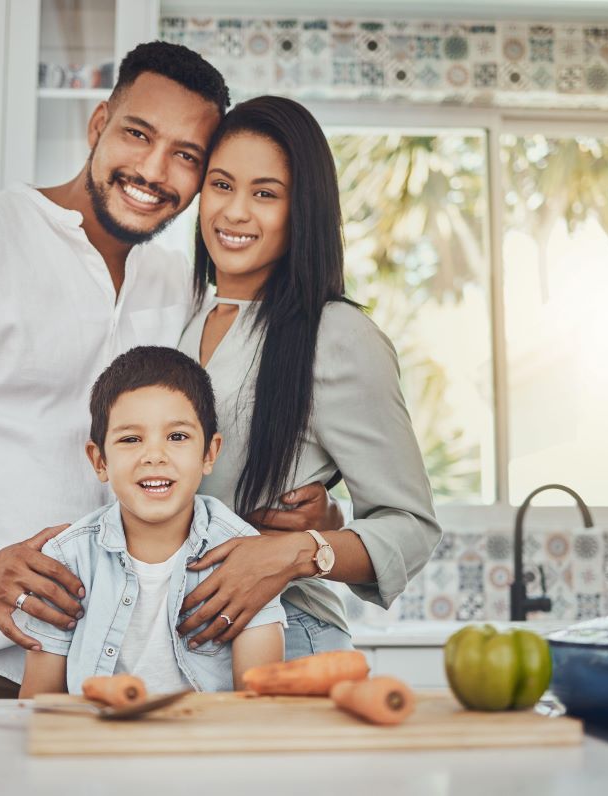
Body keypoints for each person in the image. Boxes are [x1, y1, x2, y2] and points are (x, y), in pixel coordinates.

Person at [0, 43, 336, 698]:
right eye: (137, 135)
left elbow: (193, 445)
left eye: (186, 156)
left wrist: (316, 511)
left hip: (128, 678)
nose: (153, 170)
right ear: (98, 126)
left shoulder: (179, 284)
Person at [174, 96, 442, 659]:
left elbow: (411, 527)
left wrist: (297, 551)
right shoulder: (179, 318)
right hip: (179, 640)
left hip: (290, 634)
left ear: (303, 211)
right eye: (221, 185)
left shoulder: (337, 334)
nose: (235, 212)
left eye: (265, 194)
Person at [19, 347, 284, 697]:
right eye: (131, 439)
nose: (154, 456)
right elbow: (39, 704)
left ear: (209, 453)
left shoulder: (245, 554)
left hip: (209, 745)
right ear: (100, 461)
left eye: (177, 437)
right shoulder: (68, 559)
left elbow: (260, 704)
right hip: (95, 745)